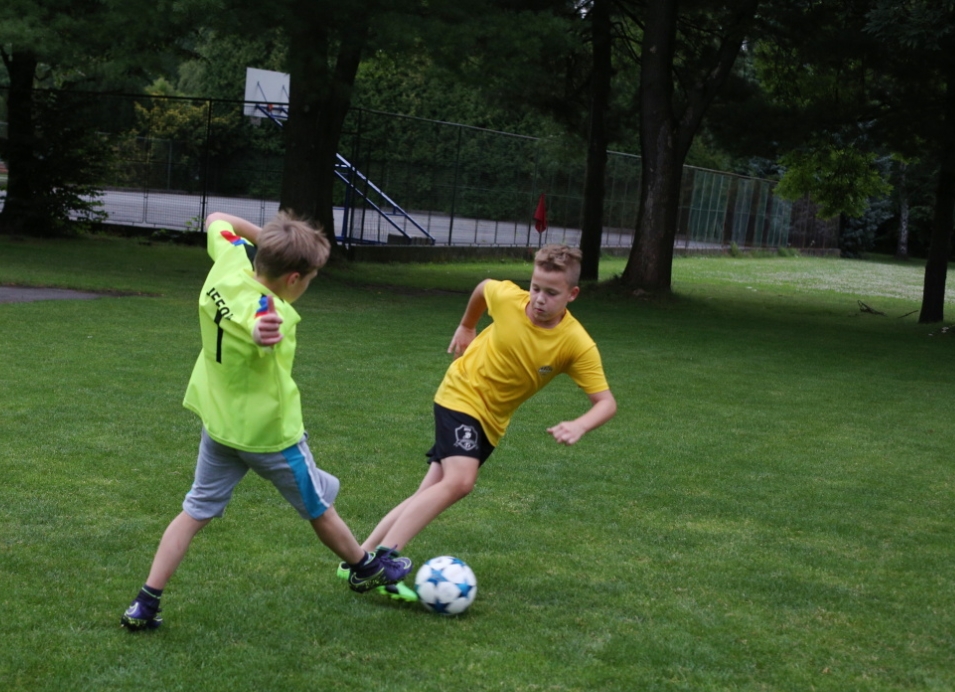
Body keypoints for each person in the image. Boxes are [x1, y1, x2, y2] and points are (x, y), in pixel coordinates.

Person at [122, 211, 411, 631]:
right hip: (269, 436)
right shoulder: (272, 312)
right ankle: (364, 567)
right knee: (319, 507)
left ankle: (145, 602)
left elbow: (218, 218)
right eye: (309, 277)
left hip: (220, 424)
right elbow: (259, 325)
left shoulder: (230, 262)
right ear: (294, 279)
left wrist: (271, 243)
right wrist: (263, 332)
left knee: (195, 509)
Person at [338, 244, 616, 590]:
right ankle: (384, 559)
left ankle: (359, 558)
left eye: (551, 293)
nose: (539, 299)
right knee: (460, 481)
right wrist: (467, 326)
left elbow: (605, 402)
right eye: (535, 287)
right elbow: (484, 287)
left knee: (431, 489)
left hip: (492, 422)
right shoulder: (510, 300)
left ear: (572, 294)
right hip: (461, 393)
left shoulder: (576, 343)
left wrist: (580, 424)